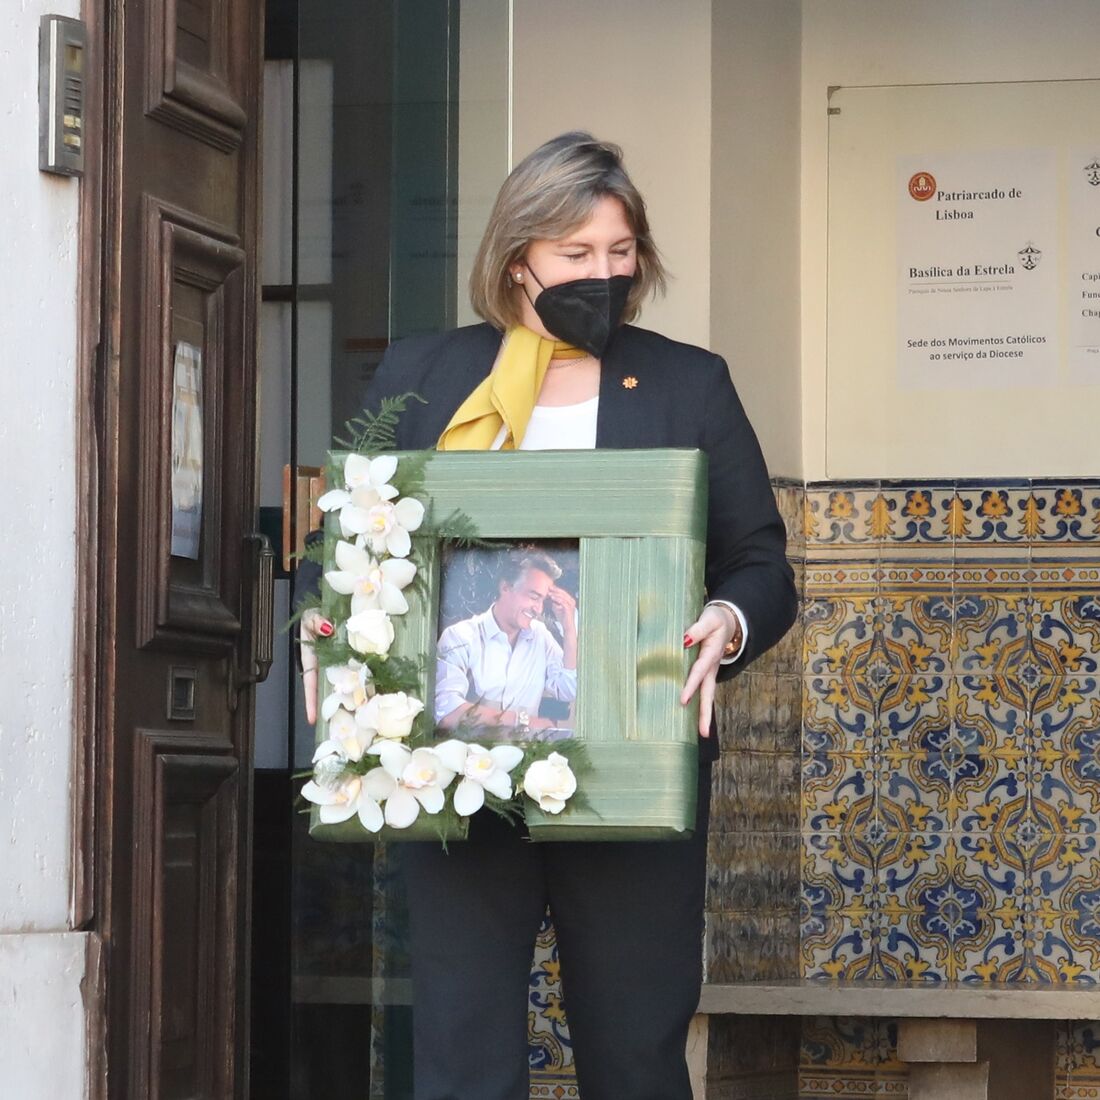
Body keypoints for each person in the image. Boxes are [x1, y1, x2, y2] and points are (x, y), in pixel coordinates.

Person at [298, 131, 797, 1100]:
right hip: (453, 762)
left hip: (633, 752)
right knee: (461, 1045)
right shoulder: (420, 376)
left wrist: (726, 621)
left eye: (620, 254)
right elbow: (347, 541)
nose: (602, 275)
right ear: (516, 254)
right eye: (577, 255)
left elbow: (758, 561)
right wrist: (323, 617)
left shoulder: (688, 382)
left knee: (635, 1044)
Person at [434, 549, 578, 736]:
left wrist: (569, 630)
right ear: (505, 587)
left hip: (528, 756)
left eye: (543, 601)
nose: (538, 609)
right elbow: (448, 713)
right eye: (534, 597)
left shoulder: (540, 636)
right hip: (471, 756)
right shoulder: (459, 636)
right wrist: (522, 720)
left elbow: (567, 690)